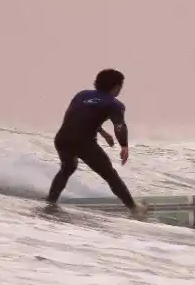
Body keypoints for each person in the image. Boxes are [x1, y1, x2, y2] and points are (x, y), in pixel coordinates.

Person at [47, 68, 149, 219]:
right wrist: (124, 145)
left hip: (62, 138)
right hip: (84, 143)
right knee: (110, 175)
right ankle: (134, 209)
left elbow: (76, 116)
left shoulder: (82, 95)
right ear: (116, 86)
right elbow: (119, 126)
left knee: (67, 168)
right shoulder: (114, 104)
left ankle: (50, 201)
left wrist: (102, 132)